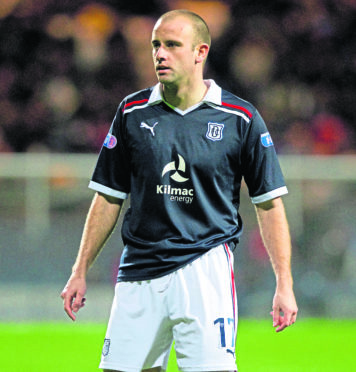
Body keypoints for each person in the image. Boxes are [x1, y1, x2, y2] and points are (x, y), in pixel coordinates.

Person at [61, 9, 298, 372]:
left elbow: (268, 204)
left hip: (205, 271)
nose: (160, 54)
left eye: (172, 45)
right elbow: (108, 195)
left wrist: (284, 282)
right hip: (139, 270)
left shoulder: (240, 118)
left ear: (200, 52)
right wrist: (80, 269)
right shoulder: (131, 112)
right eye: (156, 45)